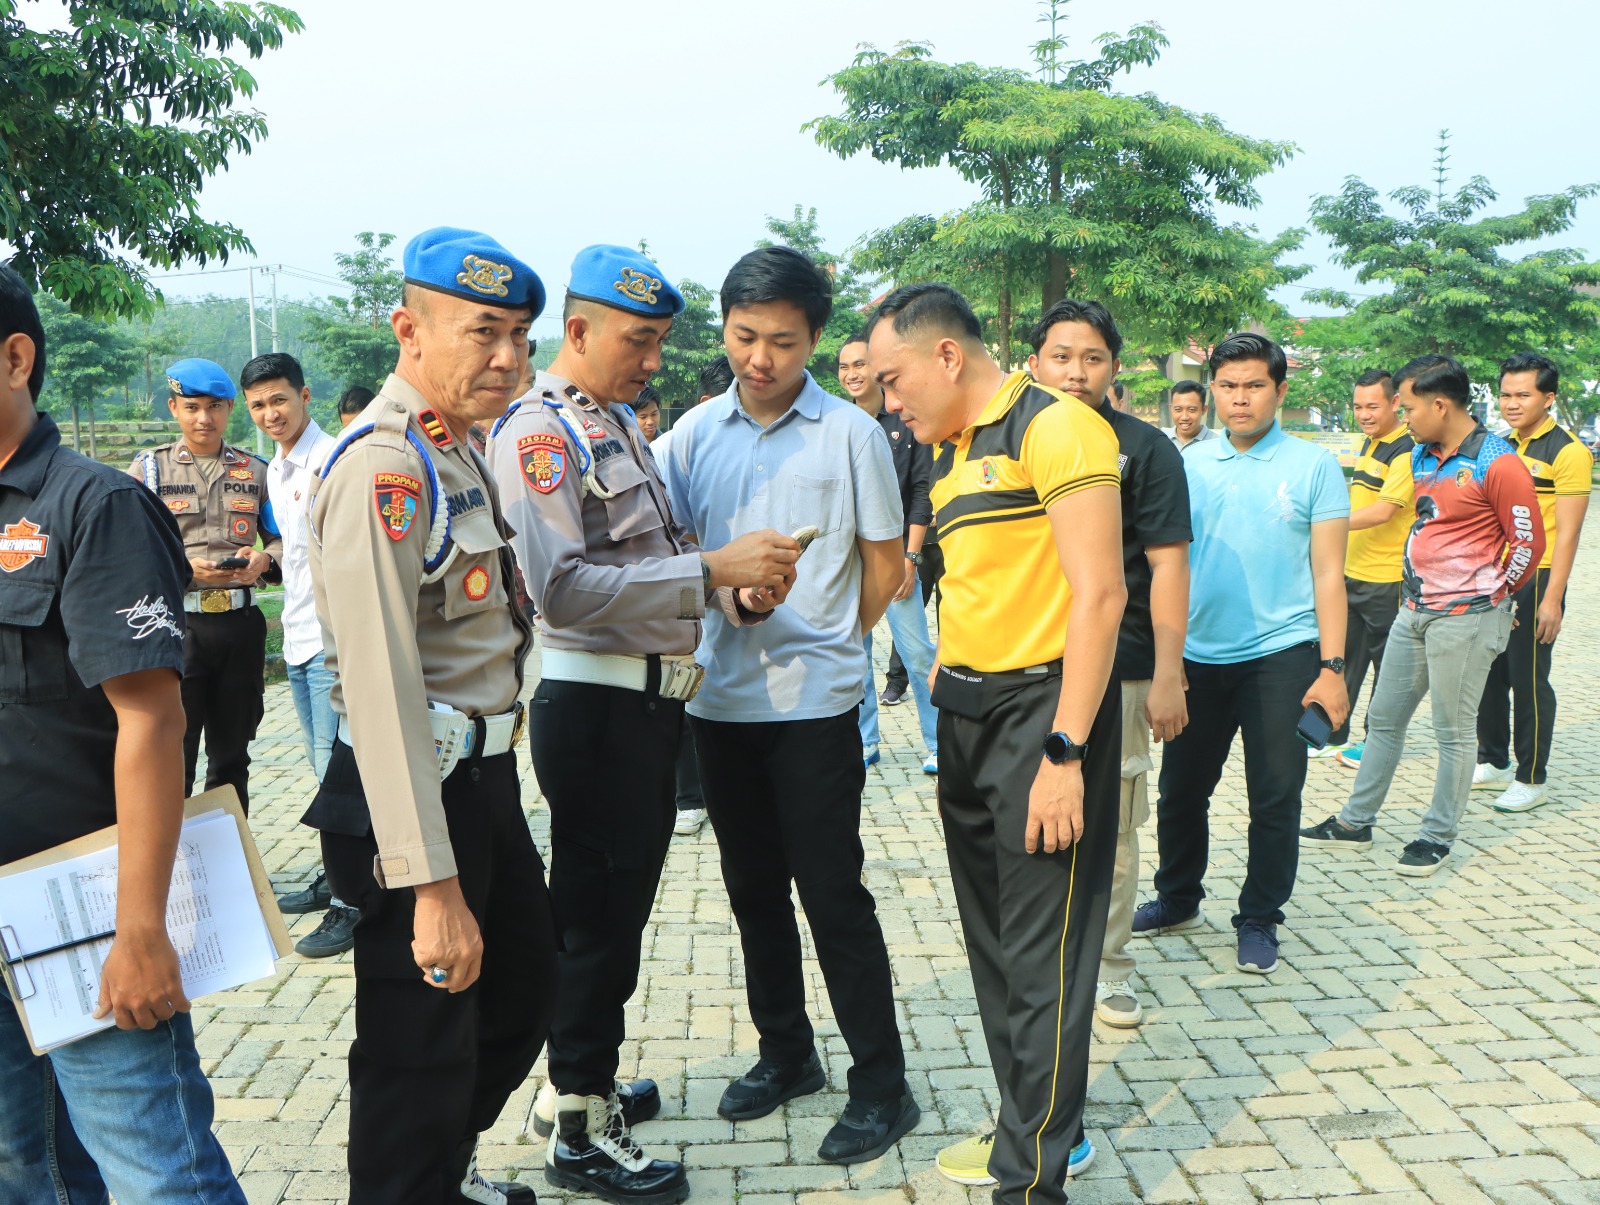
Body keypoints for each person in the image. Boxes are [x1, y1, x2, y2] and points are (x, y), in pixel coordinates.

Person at [490, 245, 797, 1204]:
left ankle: (574, 1085)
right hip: (596, 708)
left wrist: (734, 593)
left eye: (662, 341)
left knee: (614, 916)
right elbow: (561, 589)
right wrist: (712, 569)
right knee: (595, 924)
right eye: (638, 340)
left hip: (646, 705)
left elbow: (654, 563)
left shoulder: (616, 423)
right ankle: (580, 1130)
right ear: (578, 330)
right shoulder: (540, 433)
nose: (654, 360)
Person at [303, 227, 556, 1205]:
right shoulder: (388, 468)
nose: (508, 357)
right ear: (409, 330)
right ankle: (411, 1180)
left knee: (522, 988)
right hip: (410, 794)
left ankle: (439, 1171)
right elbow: (380, 690)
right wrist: (431, 885)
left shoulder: (453, 449)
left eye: (520, 337)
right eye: (483, 332)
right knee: (418, 1047)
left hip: (478, 778)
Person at [864, 283, 1124, 1199]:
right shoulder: (951, 451)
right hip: (967, 716)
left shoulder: (1056, 427)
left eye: (893, 377)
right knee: (997, 949)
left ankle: (1032, 1178)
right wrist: (949, 663)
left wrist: (1066, 751)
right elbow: (979, 579)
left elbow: (1100, 594)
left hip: (1041, 717)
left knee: (1045, 955)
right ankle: (1026, 1126)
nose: (889, 398)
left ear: (946, 356)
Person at [662, 246, 920, 1165]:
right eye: (744, 337)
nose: (760, 358)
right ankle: (786, 1053)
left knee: (832, 894)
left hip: (814, 706)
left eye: (782, 340)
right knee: (752, 893)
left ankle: (882, 1084)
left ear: (815, 337)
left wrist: (834, 638)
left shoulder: (851, 434)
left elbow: (885, 563)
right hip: (719, 706)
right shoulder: (690, 435)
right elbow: (672, 556)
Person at [0, 264, 248, 1204]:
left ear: (15, 359)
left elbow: (152, 718)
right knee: (24, 1166)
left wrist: (139, 929)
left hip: (79, 912)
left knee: (158, 1173)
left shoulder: (94, 505)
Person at [1136, 333, 1349, 976]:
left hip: (1282, 654)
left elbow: (1329, 575)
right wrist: (1165, 659)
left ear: (1280, 391)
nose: (1240, 398)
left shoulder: (1314, 466)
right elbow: (1163, 563)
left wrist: (1333, 669)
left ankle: (1260, 916)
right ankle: (1177, 899)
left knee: (1275, 796)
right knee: (1180, 792)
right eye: (1227, 386)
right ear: (1212, 392)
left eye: (1254, 385)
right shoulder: (1187, 464)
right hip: (1196, 655)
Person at [1302, 355, 1542, 875]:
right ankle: (1355, 822)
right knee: (1385, 719)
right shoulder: (1419, 455)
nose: (1401, 417)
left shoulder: (1498, 463)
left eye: (1407, 408)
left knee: (1452, 731)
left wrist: (1498, 598)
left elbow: (1528, 544)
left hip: (1467, 617)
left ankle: (1437, 836)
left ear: (1439, 405)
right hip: (1412, 610)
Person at [1028, 299, 1191, 1032]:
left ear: (1114, 368)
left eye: (1092, 358)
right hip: (1027, 665)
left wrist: (1167, 672)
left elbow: (1168, 564)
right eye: (1061, 357)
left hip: (1119, 666)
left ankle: (1111, 968)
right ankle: (1044, 962)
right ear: (1034, 363)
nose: (1076, 372)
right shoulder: (1013, 441)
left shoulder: (1144, 450)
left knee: (1114, 829)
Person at [242, 351, 358, 959]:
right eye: (258, 405)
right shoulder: (278, 470)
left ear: (305, 397)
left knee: (338, 775)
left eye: (279, 400)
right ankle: (337, 876)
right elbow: (293, 549)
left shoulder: (335, 458)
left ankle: (354, 899)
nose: (271, 413)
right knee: (323, 772)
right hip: (297, 636)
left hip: (332, 643)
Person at [128, 358, 282, 815]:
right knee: (174, 758)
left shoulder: (257, 471)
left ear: (229, 409)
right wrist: (184, 569)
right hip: (176, 627)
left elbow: (281, 539)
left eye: (215, 406)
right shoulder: (149, 471)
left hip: (239, 626)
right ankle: (174, 859)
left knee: (233, 757)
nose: (204, 418)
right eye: (192, 407)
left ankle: (230, 856)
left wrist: (264, 559)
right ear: (173, 407)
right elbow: (130, 548)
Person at [1473, 352, 1592, 812]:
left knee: (1528, 679)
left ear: (1549, 398)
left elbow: (1569, 533)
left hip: (1537, 578)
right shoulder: (1501, 445)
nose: (1512, 403)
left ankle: (1531, 777)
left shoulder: (1568, 451)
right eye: (1505, 394)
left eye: (1523, 395)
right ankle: (1494, 759)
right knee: (1488, 671)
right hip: (1495, 574)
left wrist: (1553, 598)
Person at [838, 333, 940, 774]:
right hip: (847, 558)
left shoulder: (902, 416)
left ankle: (939, 742)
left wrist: (910, 558)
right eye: (844, 367)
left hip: (895, 554)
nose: (852, 374)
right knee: (854, 654)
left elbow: (922, 490)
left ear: (876, 367)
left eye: (860, 364)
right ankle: (865, 742)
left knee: (916, 651)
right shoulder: (835, 422)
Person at [1326, 369, 1414, 769]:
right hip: (1352, 571)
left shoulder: (1406, 449)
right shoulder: (1371, 442)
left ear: (1395, 403)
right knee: (1340, 659)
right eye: (1358, 406)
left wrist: (1325, 522)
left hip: (1387, 578)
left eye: (1373, 406)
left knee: (1387, 669)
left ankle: (1375, 744)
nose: (1364, 414)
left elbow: (1383, 512)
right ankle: (1328, 733)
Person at [1166, 380, 1217, 450]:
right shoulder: (1160, 440)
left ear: (1204, 410)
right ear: (1171, 409)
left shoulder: (1217, 444)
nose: (1184, 417)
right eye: (1178, 409)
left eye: (1191, 410)